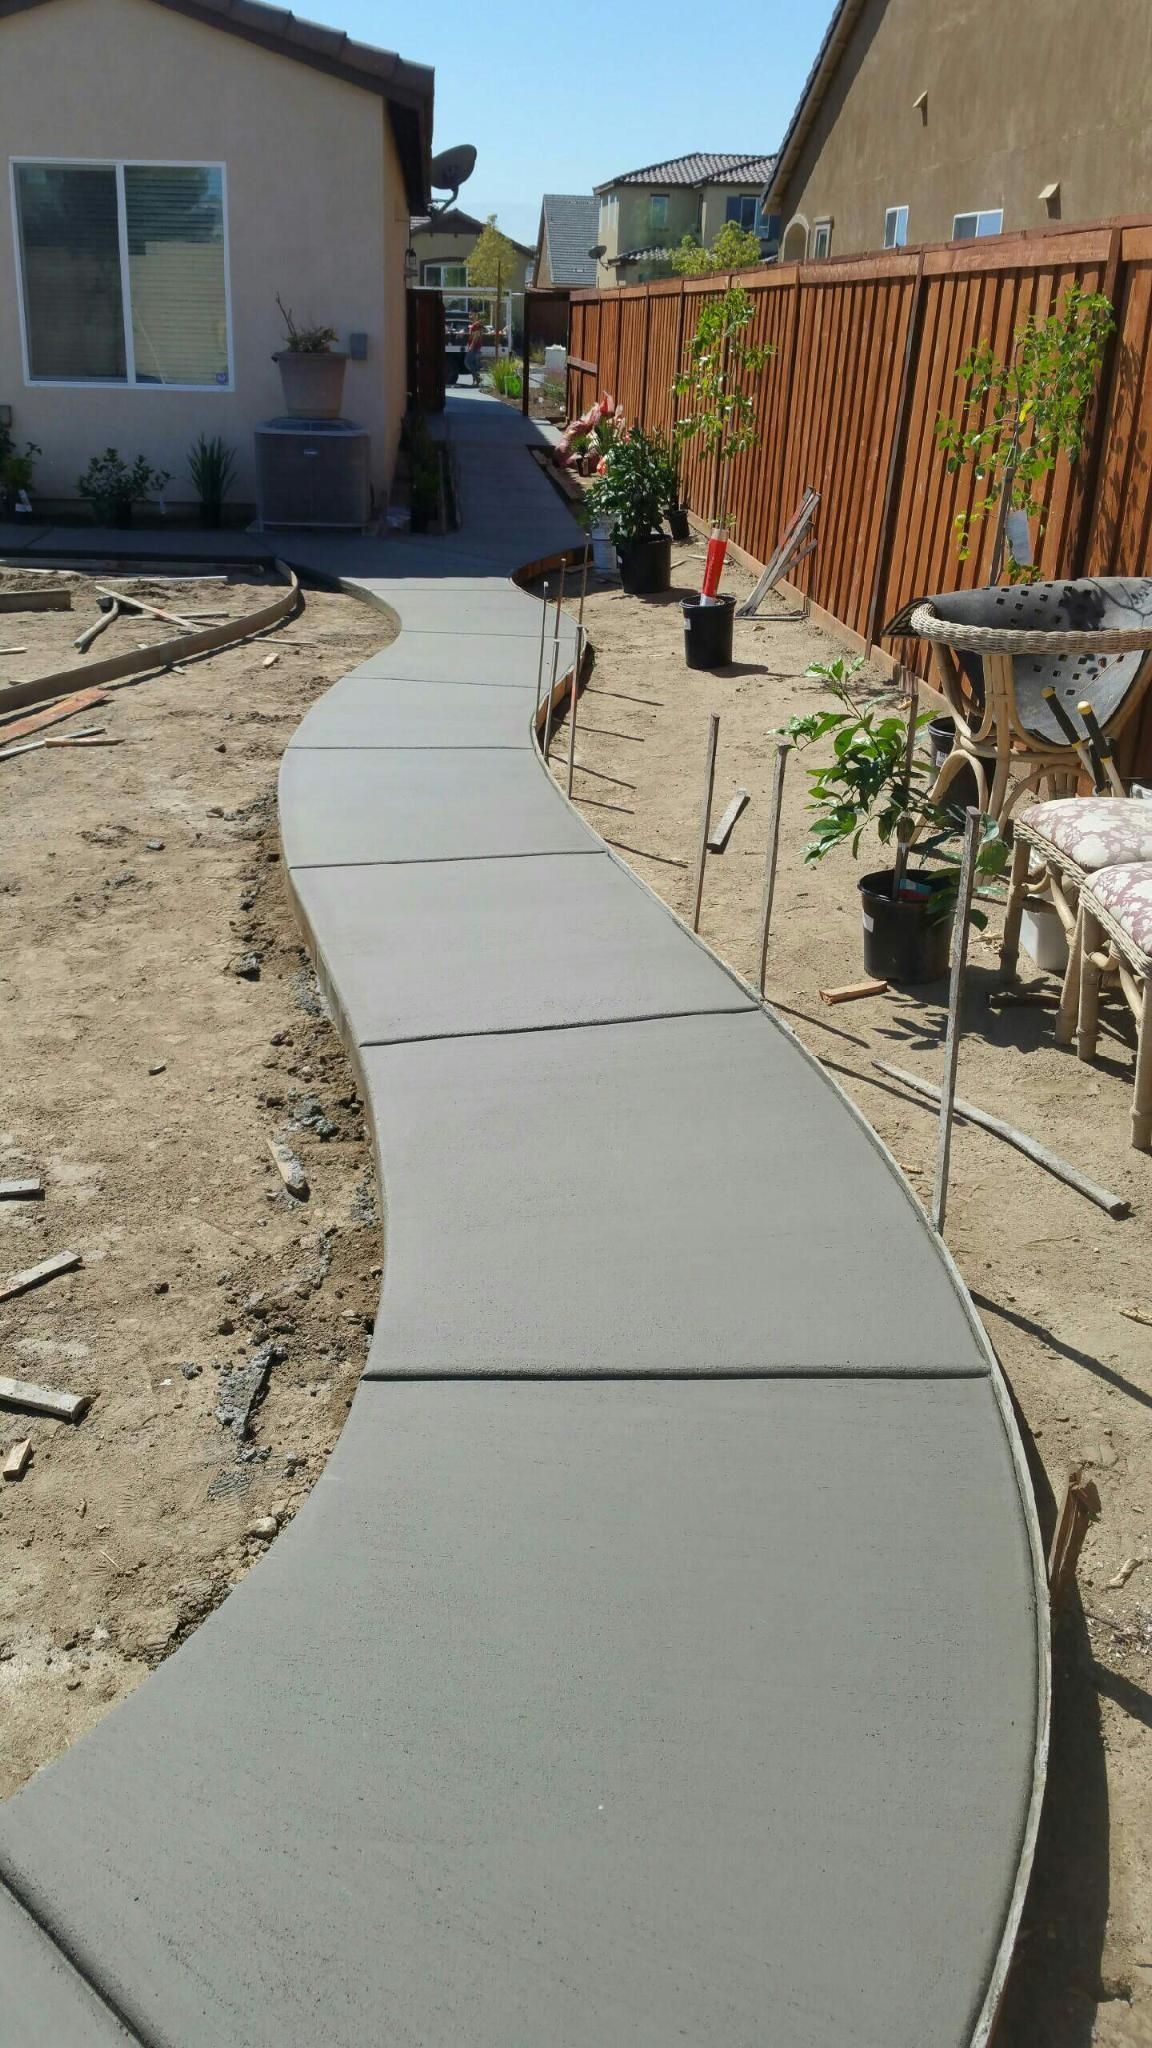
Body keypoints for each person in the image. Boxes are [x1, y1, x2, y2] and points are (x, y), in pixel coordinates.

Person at [464, 314, 485, 385]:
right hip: (475, 347)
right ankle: (476, 380)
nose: (470, 316)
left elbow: (476, 335)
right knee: (472, 363)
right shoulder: (475, 324)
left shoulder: (476, 324)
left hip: (474, 348)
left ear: (475, 315)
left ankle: (478, 378)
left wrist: (472, 346)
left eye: (471, 314)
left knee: (467, 362)